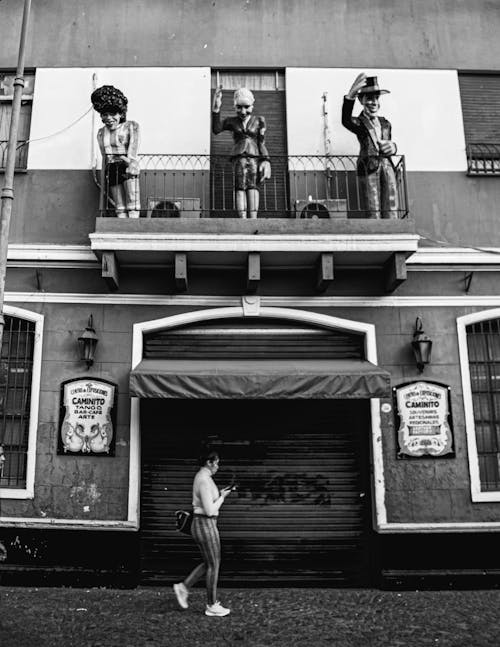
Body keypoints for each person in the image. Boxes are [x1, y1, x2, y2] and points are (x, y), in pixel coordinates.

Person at [173, 448, 234, 617]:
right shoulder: (204, 480)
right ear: (209, 462)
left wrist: (220, 494)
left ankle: (183, 587)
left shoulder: (204, 478)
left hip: (204, 524)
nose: (218, 467)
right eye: (217, 463)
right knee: (214, 564)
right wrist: (222, 498)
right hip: (205, 524)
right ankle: (211, 605)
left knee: (209, 562)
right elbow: (209, 510)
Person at [341, 73, 399, 219]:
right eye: (369, 99)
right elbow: (346, 120)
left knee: (392, 203)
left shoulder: (386, 123)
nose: (373, 103)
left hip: (388, 166)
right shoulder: (359, 123)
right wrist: (350, 96)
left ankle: (393, 231)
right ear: (362, 100)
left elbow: (390, 142)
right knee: (373, 206)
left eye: (376, 98)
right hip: (369, 166)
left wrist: (393, 147)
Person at [212, 85, 271, 219]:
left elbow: (261, 142)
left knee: (253, 187)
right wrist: (216, 108)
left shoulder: (259, 120)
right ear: (235, 107)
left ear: (252, 106)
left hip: (254, 158)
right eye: (239, 107)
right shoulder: (231, 121)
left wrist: (266, 160)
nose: (243, 111)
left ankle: (253, 219)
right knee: (240, 187)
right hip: (238, 159)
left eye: (246, 107)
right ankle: (242, 220)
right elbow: (216, 129)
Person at [91, 85, 141, 218]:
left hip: (127, 165)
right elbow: (104, 155)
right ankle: (121, 226)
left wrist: (131, 163)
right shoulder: (101, 133)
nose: (108, 118)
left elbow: (133, 148)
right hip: (111, 168)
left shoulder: (131, 126)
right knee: (119, 206)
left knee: (133, 202)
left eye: (112, 114)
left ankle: (133, 228)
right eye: (105, 114)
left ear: (121, 114)